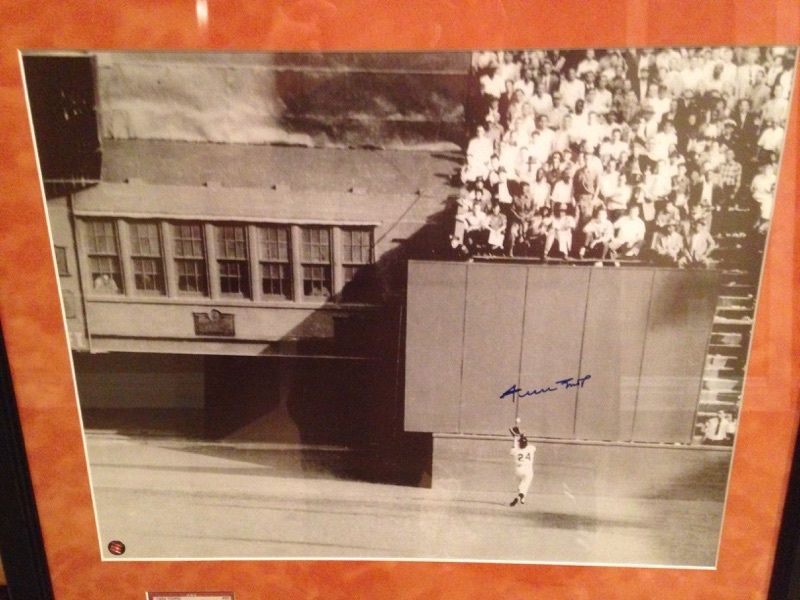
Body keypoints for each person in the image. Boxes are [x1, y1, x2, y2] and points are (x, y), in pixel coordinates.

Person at [509, 423, 535, 507]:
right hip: (528, 470)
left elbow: (515, 445)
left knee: (521, 485)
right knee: (525, 485)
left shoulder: (515, 450)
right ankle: (520, 497)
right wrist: (520, 434)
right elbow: (524, 441)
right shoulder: (531, 448)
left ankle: (522, 498)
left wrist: (516, 437)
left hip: (518, 471)